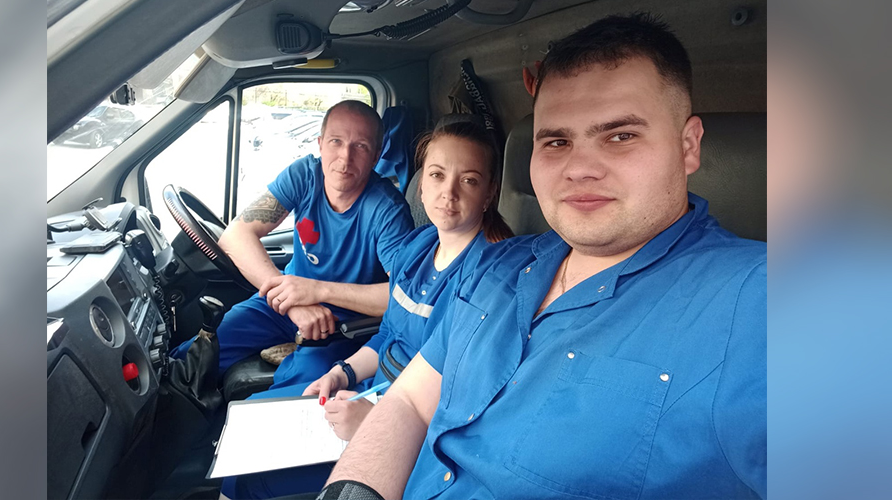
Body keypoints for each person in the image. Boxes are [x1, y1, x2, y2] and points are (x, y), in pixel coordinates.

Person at [322, 13, 767, 500]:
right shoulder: (496, 266)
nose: (579, 169)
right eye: (557, 141)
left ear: (688, 146)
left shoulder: (765, 303)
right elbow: (409, 400)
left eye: (620, 136)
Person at [220, 121, 515, 499]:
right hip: (370, 391)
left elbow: (464, 392)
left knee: (250, 476)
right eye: (437, 175)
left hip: (414, 430)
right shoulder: (419, 246)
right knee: (248, 421)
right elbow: (389, 333)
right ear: (421, 184)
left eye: (469, 180)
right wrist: (342, 372)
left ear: (489, 193)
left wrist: (375, 419)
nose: (449, 193)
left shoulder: (490, 277)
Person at [171, 100, 414, 389]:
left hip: (342, 324)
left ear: (375, 156)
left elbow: (402, 296)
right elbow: (235, 235)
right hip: (283, 305)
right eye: (336, 141)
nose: (345, 157)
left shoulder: (388, 210)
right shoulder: (304, 176)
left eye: (360, 146)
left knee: (304, 387)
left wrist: (318, 290)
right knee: (196, 353)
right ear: (320, 144)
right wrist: (293, 304)